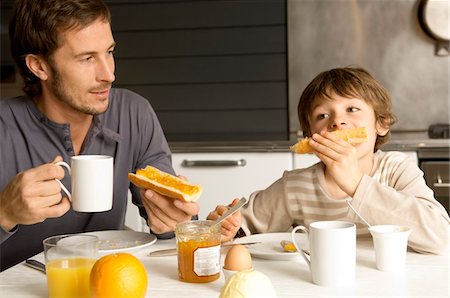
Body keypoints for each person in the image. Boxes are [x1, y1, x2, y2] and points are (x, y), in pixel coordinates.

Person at [0, 0, 198, 271]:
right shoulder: (3, 127)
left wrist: (174, 219)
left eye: (109, 52)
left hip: (107, 282)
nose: (109, 74)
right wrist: (4, 212)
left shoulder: (134, 113)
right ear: (39, 66)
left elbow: (171, 228)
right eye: (87, 58)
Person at [208, 67, 450, 255]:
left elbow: (440, 238)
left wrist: (356, 183)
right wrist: (229, 227)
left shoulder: (397, 170)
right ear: (310, 137)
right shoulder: (295, 186)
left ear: (381, 124)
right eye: (322, 115)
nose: (337, 122)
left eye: (352, 109)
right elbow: (245, 227)